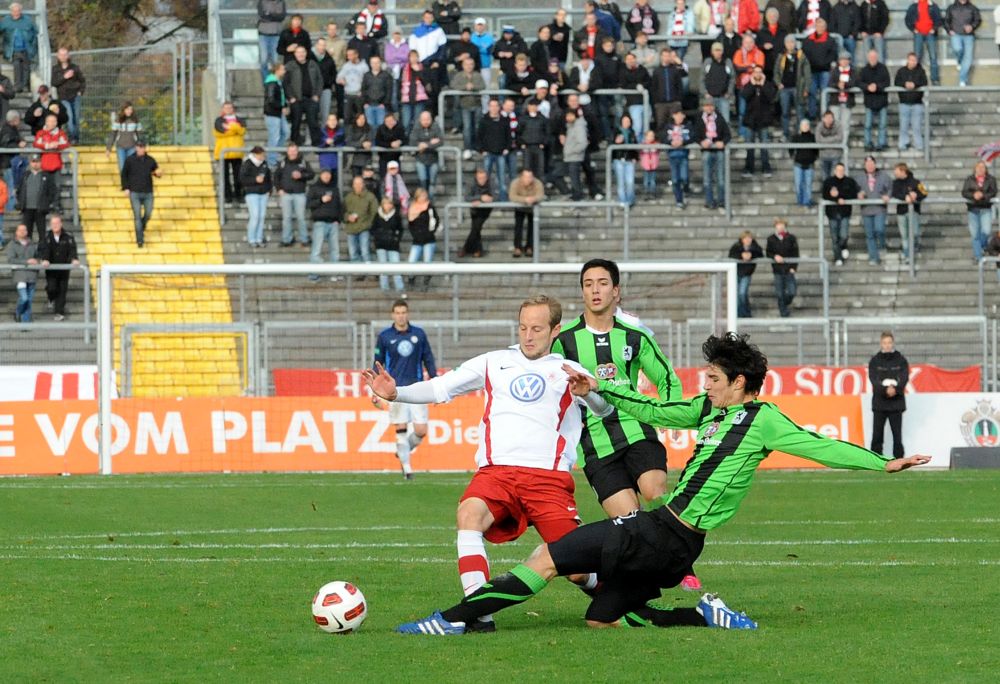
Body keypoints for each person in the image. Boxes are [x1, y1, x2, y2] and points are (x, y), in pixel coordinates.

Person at [396, 332, 929, 636]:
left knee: (546, 560)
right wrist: (596, 388)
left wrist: (883, 463)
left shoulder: (763, 420)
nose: (705, 384)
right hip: (674, 542)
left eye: (714, 379)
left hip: (661, 533)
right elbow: (654, 405)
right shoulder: (707, 409)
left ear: (739, 383)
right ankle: (701, 614)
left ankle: (449, 621)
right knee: (601, 622)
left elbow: (822, 445)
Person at [370, 294, 610, 633]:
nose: (528, 335)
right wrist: (398, 394)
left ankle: (614, 597)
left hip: (547, 479)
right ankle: (479, 618)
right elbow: (442, 387)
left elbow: (604, 409)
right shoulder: (494, 361)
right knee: (469, 514)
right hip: (496, 472)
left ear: (555, 330)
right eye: (523, 327)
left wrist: (588, 393)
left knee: (577, 568)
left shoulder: (569, 371)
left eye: (537, 329)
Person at [551, 259, 700, 590]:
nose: (595, 290)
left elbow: (666, 379)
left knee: (655, 491)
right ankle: (644, 584)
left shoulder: (634, 336)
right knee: (629, 524)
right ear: (582, 291)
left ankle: (683, 562)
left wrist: (671, 414)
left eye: (602, 283)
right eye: (588, 283)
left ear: (616, 291)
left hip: (637, 431)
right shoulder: (564, 340)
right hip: (594, 444)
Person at [868, 331, 909, 459]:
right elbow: (873, 380)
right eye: (885, 343)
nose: (887, 345)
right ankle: (875, 460)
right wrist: (885, 390)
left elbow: (904, 378)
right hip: (880, 404)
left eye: (889, 342)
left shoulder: (901, 360)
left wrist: (895, 389)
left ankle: (899, 460)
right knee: (877, 435)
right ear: (881, 344)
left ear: (893, 343)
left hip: (896, 404)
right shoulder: (875, 361)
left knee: (897, 435)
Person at [37, 214, 78, 322]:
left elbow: (72, 250)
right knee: (52, 288)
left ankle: (59, 312)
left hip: (64, 269)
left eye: (57, 223)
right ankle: (51, 298)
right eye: (53, 224)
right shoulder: (46, 237)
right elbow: (43, 249)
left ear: (61, 224)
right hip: (51, 269)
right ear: (50, 225)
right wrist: (44, 259)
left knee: (62, 291)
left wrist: (74, 259)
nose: (55, 225)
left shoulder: (68, 236)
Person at [692, 95, 730, 211]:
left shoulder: (719, 118)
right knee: (707, 178)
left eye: (711, 106)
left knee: (721, 178)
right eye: (706, 106)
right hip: (706, 151)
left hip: (719, 151)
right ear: (703, 107)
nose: (708, 108)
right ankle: (709, 201)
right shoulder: (698, 118)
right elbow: (695, 134)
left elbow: (728, 135)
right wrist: (701, 142)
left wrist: (722, 142)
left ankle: (721, 201)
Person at [120, 141, 161, 248]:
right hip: (135, 192)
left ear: (145, 148)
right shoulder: (130, 160)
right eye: (139, 147)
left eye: (142, 147)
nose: (141, 149)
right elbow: (124, 174)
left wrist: (158, 174)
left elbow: (156, 171)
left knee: (148, 214)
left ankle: (141, 228)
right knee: (137, 216)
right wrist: (126, 188)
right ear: (136, 148)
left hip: (148, 192)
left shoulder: (150, 160)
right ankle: (140, 240)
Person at [275, 142, 314, 247]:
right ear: (287, 151)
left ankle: (304, 239)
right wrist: (279, 189)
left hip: (299, 194)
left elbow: (312, 174)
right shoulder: (282, 163)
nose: (292, 153)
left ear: (297, 151)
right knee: (286, 218)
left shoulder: (303, 162)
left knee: (301, 217)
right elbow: (276, 177)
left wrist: (301, 175)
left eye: (294, 150)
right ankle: (287, 239)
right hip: (286, 194)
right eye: (290, 150)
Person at [739, 65, 776, 177]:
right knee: (749, 146)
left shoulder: (768, 85)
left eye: (760, 72)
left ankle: (766, 168)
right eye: (755, 72)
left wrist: (763, 85)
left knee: (764, 146)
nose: (757, 74)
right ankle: (749, 168)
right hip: (750, 121)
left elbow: (771, 97)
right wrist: (752, 84)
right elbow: (744, 95)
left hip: (763, 121)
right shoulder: (748, 85)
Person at [306, 168, 342, 281]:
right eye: (325, 174)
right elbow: (309, 204)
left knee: (335, 250)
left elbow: (339, 205)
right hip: (320, 222)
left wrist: (338, 219)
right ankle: (313, 275)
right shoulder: (314, 188)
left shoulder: (334, 188)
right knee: (316, 250)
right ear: (320, 175)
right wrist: (321, 200)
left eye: (328, 174)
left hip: (333, 223)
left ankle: (334, 273)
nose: (327, 176)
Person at [855, 155, 891, 265]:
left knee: (879, 229)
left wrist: (887, 196)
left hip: (879, 208)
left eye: (872, 164)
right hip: (866, 209)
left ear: (875, 164)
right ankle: (874, 257)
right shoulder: (859, 178)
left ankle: (882, 245)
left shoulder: (884, 176)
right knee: (869, 234)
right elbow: (854, 190)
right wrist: (858, 194)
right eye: (867, 164)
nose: (870, 166)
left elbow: (890, 188)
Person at [821, 161, 860, 264]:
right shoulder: (828, 182)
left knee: (843, 235)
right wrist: (835, 198)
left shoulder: (849, 181)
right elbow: (825, 195)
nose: (840, 172)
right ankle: (838, 258)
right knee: (834, 237)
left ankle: (843, 246)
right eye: (838, 170)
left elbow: (853, 194)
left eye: (842, 170)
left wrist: (840, 196)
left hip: (845, 213)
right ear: (834, 171)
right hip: (832, 213)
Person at [283, 45, 322, 147]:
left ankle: (316, 144)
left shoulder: (313, 64)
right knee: (295, 122)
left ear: (306, 53)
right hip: (296, 100)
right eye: (298, 52)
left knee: (313, 122)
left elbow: (320, 80)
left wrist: (317, 95)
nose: (301, 54)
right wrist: (290, 97)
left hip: (311, 99)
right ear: (295, 54)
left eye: (302, 52)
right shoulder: (290, 66)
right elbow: (286, 83)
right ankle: (294, 144)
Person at [773, 35, 809, 140]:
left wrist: (806, 88)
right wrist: (778, 83)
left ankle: (800, 134)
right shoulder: (781, 56)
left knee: (800, 112)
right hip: (784, 89)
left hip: (798, 88)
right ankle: (785, 133)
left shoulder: (801, 56)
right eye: (788, 42)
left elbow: (807, 73)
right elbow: (776, 72)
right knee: (785, 112)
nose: (790, 44)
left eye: (792, 42)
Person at [802, 18, 837, 120]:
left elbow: (833, 55)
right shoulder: (808, 40)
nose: (820, 28)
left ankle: (824, 114)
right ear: (815, 27)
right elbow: (805, 55)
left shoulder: (830, 40)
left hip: (825, 71)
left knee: (824, 93)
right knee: (811, 93)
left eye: (822, 26)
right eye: (818, 26)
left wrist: (824, 63)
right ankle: (812, 114)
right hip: (812, 72)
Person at [32, 112, 68, 211]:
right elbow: (36, 144)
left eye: (54, 121)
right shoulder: (41, 133)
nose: (52, 123)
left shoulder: (60, 133)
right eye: (50, 121)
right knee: (44, 186)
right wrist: (47, 145)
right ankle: (46, 205)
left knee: (57, 186)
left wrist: (56, 145)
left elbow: (65, 144)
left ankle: (56, 205)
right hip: (44, 165)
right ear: (46, 122)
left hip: (56, 164)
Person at [961, 161, 996, 263]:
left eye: (983, 167)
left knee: (986, 230)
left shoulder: (991, 179)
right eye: (979, 167)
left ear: (986, 169)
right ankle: (978, 256)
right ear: (975, 168)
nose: (981, 169)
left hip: (985, 208)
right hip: (973, 209)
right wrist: (973, 195)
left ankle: (984, 245)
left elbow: (993, 192)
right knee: (975, 234)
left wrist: (983, 195)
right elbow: (964, 192)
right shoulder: (969, 179)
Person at [478, 99, 513, 201]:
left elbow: (509, 136)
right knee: (485, 178)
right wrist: (482, 150)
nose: (494, 108)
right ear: (488, 107)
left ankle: (503, 200)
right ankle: (486, 198)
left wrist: (507, 148)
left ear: (499, 107)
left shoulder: (505, 120)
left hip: (501, 153)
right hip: (488, 153)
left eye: (496, 106)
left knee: (502, 178)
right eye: (491, 106)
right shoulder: (484, 120)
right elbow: (479, 136)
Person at [450, 57, 485, 158]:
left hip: (477, 105)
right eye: (467, 64)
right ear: (463, 65)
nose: (469, 66)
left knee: (477, 127)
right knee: (467, 127)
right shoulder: (458, 76)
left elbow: (482, 86)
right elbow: (453, 86)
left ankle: (476, 147)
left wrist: (473, 87)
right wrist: (465, 87)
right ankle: (467, 148)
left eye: (471, 64)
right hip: (465, 105)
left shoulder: (478, 75)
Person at [891, 162, 926, 261]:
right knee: (904, 235)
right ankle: (907, 255)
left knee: (914, 233)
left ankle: (915, 246)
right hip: (901, 212)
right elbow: (895, 193)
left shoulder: (916, 182)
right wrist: (905, 197)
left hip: (913, 211)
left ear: (903, 171)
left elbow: (924, 193)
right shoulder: (895, 183)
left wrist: (916, 196)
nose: (895, 173)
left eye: (896, 171)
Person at [213, 101, 247, 204]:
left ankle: (239, 194)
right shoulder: (218, 120)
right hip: (223, 153)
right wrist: (235, 128)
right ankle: (227, 196)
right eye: (226, 107)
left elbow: (242, 131)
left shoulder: (239, 119)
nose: (228, 109)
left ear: (233, 109)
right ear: (223, 109)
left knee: (238, 176)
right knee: (225, 176)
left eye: (230, 107)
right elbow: (219, 133)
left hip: (237, 152)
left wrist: (230, 127)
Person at [894, 52, 927, 152]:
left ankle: (919, 144)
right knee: (903, 126)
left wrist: (915, 85)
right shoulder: (901, 71)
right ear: (907, 60)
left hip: (917, 103)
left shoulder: (921, 72)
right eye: (911, 60)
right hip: (904, 103)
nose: (913, 62)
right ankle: (903, 143)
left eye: (914, 60)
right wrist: (905, 84)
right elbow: (897, 82)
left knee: (916, 126)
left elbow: (924, 83)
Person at [766, 218, 799, 317]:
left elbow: (796, 253)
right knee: (779, 293)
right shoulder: (771, 239)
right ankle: (783, 312)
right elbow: (768, 252)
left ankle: (785, 304)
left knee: (792, 291)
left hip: (789, 268)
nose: (780, 227)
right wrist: (774, 256)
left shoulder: (791, 238)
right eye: (778, 225)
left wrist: (794, 267)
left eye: (782, 224)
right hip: (777, 269)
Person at [16, 154, 54, 241]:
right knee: (27, 233)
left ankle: (42, 252)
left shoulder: (46, 176)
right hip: (27, 209)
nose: (35, 164)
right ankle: (29, 252)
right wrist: (21, 202)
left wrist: (47, 203)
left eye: (37, 161)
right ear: (30, 163)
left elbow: (52, 191)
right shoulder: (25, 175)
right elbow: (19, 190)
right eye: (33, 162)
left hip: (40, 209)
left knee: (42, 233)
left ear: (41, 163)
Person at [50, 48, 85, 144]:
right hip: (63, 97)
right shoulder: (55, 69)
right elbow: (54, 82)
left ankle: (76, 138)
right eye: (61, 55)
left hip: (75, 96)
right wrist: (64, 77)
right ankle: (72, 138)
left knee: (76, 118)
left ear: (68, 55)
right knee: (69, 117)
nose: (63, 57)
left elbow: (82, 81)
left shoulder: (75, 68)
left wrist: (80, 92)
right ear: (57, 56)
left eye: (65, 54)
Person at [858, 49, 890, 151]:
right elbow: (859, 83)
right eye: (871, 57)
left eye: (874, 57)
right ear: (868, 58)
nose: (872, 59)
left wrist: (877, 86)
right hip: (869, 101)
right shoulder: (864, 70)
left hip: (882, 100)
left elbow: (887, 82)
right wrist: (868, 87)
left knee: (883, 125)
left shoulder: (883, 69)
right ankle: (867, 143)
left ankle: (881, 143)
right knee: (867, 125)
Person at [0, 3, 36, 92]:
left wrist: (32, 41)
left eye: (18, 11)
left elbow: (35, 31)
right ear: (11, 12)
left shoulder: (27, 20)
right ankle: (18, 86)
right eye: (14, 11)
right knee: (17, 66)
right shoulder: (6, 21)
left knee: (26, 67)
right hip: (13, 49)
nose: (16, 13)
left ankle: (24, 86)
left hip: (26, 48)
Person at [905, 0, 943, 85]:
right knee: (917, 57)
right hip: (918, 33)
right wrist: (913, 29)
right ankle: (917, 79)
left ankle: (935, 79)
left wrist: (934, 29)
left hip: (930, 33)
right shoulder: (914, 6)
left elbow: (939, 19)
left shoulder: (933, 6)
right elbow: (907, 19)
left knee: (933, 57)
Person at [509, 169, 544, 259]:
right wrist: (525, 200)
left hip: (532, 208)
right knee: (518, 227)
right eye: (526, 177)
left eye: (530, 177)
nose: (529, 179)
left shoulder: (538, 183)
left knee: (532, 228)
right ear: (521, 177)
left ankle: (530, 247)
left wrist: (534, 199)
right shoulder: (515, 183)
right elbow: (512, 196)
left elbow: (540, 195)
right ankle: (517, 247)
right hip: (520, 207)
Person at [406, 187, 438, 289]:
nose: (424, 197)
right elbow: (410, 224)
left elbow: (435, 220)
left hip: (428, 238)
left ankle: (426, 282)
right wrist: (415, 234)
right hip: (417, 239)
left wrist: (430, 232)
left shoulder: (430, 207)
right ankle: (411, 279)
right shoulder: (412, 207)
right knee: (411, 261)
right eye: (422, 196)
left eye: (425, 195)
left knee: (427, 262)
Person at [240, 146, 271, 248]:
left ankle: (259, 238)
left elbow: (268, 178)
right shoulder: (247, 164)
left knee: (261, 217)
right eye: (261, 155)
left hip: (263, 193)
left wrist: (269, 190)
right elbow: (242, 179)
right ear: (255, 154)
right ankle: (251, 238)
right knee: (255, 216)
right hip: (252, 193)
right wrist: (255, 180)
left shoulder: (264, 164)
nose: (263, 156)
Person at [461, 168, 495, 258]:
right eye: (480, 178)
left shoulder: (491, 183)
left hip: (486, 209)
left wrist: (489, 199)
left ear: (487, 177)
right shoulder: (471, 183)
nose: (482, 180)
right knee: (476, 229)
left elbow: (495, 195)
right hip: (475, 209)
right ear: (476, 177)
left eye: (483, 178)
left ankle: (466, 248)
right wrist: (480, 198)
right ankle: (477, 250)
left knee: (476, 228)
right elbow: (467, 197)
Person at [661, 108, 693, 208]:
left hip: (683, 155)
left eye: (681, 115)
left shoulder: (688, 126)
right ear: (673, 116)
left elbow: (693, 137)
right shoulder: (668, 127)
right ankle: (679, 200)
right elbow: (663, 138)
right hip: (672, 156)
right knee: (675, 180)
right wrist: (671, 143)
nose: (679, 117)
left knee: (684, 177)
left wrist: (683, 142)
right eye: (677, 115)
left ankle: (686, 188)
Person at [372, 196, 404, 292]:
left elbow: (400, 229)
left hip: (393, 245)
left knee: (396, 267)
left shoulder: (396, 216)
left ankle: (400, 288)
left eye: (389, 203)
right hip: (381, 244)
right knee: (383, 268)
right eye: (385, 203)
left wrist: (396, 239)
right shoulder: (377, 215)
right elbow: (373, 229)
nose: (387, 206)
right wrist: (377, 238)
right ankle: (384, 287)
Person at [729, 230, 764, 317]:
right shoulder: (736, 246)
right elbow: (731, 255)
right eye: (745, 238)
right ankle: (741, 314)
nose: (748, 240)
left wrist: (751, 255)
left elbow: (760, 254)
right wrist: (741, 256)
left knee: (742, 293)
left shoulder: (755, 247)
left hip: (746, 274)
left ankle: (745, 313)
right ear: (742, 239)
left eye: (749, 238)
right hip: (736, 272)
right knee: (737, 295)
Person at [945, 0, 980, 86]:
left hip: (969, 36)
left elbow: (978, 19)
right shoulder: (951, 7)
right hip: (956, 34)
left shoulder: (972, 7)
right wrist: (949, 30)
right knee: (957, 49)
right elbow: (946, 20)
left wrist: (972, 26)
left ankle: (962, 80)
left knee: (968, 58)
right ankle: (960, 61)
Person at [409, 111, 443, 199]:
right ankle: (423, 200)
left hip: (433, 159)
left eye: (428, 119)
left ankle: (430, 203)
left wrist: (425, 145)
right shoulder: (416, 127)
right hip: (421, 159)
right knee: (423, 182)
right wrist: (430, 142)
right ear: (420, 120)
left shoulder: (435, 126)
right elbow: (413, 142)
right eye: (424, 119)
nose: (426, 121)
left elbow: (441, 141)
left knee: (432, 183)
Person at [6, 222, 36, 322]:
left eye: (24, 230)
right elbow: (11, 259)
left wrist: (39, 261)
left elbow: (38, 256)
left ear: (27, 232)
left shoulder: (32, 243)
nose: (23, 232)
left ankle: (25, 323)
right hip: (20, 276)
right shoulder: (12, 244)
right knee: (24, 298)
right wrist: (26, 261)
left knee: (29, 301)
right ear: (16, 232)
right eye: (20, 230)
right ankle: (18, 312)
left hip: (32, 275)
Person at [650, 47, 685, 132]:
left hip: (674, 102)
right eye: (664, 56)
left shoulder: (675, 70)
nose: (666, 58)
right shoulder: (657, 71)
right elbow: (654, 87)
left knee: (675, 125)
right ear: (661, 57)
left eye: (668, 56)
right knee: (661, 125)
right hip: (661, 104)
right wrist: (656, 101)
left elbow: (680, 83)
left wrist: (678, 100)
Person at [343, 175, 377, 264]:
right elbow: (342, 211)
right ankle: (357, 274)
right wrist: (348, 217)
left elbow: (374, 212)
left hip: (364, 228)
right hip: (351, 229)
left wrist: (368, 224)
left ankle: (369, 273)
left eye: (359, 183)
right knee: (353, 253)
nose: (357, 186)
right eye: (355, 184)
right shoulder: (348, 197)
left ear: (363, 184)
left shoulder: (370, 197)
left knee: (365, 252)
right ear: (353, 185)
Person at [398, 50, 431, 136]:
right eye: (411, 56)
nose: (413, 58)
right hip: (406, 99)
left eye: (415, 56)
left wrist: (419, 72)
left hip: (419, 99)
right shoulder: (404, 69)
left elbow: (426, 82)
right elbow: (400, 83)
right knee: (406, 122)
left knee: (418, 122)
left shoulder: (423, 68)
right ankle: (407, 142)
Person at [701, 41, 734, 125]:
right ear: (712, 51)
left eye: (719, 50)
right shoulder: (707, 62)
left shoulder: (727, 62)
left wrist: (729, 92)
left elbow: (732, 78)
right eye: (716, 50)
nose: (718, 52)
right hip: (710, 97)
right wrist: (705, 93)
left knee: (725, 121)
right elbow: (702, 79)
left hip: (723, 97)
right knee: (709, 122)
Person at [263, 62, 289, 168]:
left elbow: (281, 97)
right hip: (272, 113)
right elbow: (271, 100)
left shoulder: (278, 82)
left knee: (286, 132)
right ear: (277, 70)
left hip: (278, 112)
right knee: (274, 136)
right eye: (283, 69)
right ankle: (271, 160)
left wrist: (285, 105)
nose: (284, 71)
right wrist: (281, 107)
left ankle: (276, 153)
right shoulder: (272, 82)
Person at [337, 48, 369, 127]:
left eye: (351, 55)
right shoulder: (346, 66)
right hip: (348, 94)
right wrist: (341, 80)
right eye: (348, 55)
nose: (349, 57)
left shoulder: (364, 66)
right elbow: (338, 78)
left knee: (360, 116)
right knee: (347, 117)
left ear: (356, 55)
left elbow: (368, 81)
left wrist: (363, 91)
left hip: (359, 94)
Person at [361, 55, 393, 134]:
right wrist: (365, 103)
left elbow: (389, 91)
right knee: (370, 126)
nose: (375, 65)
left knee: (381, 126)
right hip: (369, 105)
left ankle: (380, 143)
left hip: (381, 106)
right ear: (370, 64)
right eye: (373, 63)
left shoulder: (386, 75)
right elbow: (363, 90)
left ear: (380, 63)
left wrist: (384, 103)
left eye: (377, 63)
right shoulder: (366, 75)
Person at [256, 0, 287, 82]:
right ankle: (267, 82)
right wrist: (275, 16)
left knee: (276, 60)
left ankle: (276, 82)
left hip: (276, 34)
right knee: (263, 60)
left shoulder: (281, 2)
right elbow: (261, 15)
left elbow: (282, 17)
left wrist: (269, 14)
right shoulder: (262, 2)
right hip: (263, 34)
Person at [612, 114, 638, 206]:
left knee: (630, 182)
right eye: (624, 121)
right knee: (621, 182)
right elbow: (611, 144)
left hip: (630, 159)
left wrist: (635, 157)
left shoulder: (632, 132)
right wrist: (616, 142)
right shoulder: (616, 131)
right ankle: (622, 201)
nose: (626, 123)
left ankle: (630, 200)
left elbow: (635, 145)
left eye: (628, 121)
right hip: (619, 159)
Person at [312, 38, 338, 127]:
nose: (322, 47)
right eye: (320, 45)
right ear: (316, 45)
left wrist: (329, 83)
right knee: (312, 115)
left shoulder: (329, 59)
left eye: (324, 45)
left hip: (325, 89)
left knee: (325, 115)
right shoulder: (310, 58)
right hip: (313, 91)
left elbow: (333, 74)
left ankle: (324, 136)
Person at [830, 51, 857, 132]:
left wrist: (845, 85)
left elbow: (854, 82)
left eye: (846, 59)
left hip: (847, 101)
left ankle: (843, 143)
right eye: (842, 59)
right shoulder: (834, 71)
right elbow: (830, 83)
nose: (844, 61)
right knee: (835, 123)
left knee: (845, 124)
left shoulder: (853, 71)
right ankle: (836, 143)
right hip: (835, 101)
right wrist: (837, 85)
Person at [815, 109, 842, 180]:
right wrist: (833, 139)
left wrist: (824, 140)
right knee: (825, 179)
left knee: (834, 179)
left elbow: (840, 138)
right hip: (823, 155)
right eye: (827, 118)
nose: (829, 119)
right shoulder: (819, 126)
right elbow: (818, 140)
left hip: (835, 155)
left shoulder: (838, 125)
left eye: (830, 117)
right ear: (823, 119)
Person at [345, 111, 372, 178]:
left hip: (366, 159)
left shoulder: (369, 128)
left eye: (363, 118)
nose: (361, 120)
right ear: (356, 119)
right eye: (359, 118)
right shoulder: (351, 128)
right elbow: (348, 142)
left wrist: (369, 143)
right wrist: (361, 144)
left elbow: (371, 140)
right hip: (355, 160)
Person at [639, 129, 660, 201]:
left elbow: (657, 151)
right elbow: (642, 153)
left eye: (652, 136)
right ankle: (646, 193)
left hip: (653, 165)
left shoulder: (656, 144)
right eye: (649, 136)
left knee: (652, 181)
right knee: (646, 181)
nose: (651, 137)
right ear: (645, 137)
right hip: (646, 166)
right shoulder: (643, 145)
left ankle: (652, 193)